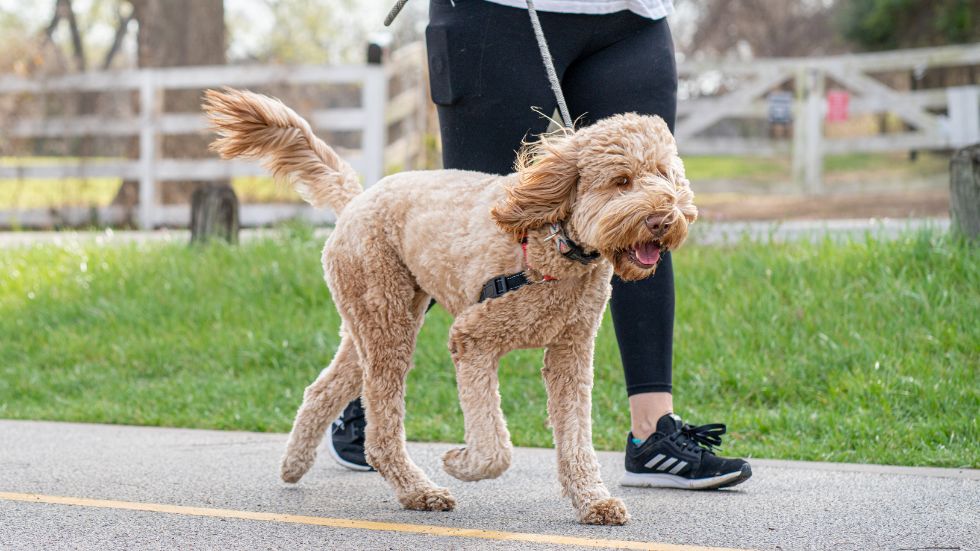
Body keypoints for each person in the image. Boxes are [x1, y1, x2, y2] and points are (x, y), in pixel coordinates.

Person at [328, 0, 751, 490]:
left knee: (642, 216)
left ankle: (652, 434)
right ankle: (366, 402)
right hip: (499, 12)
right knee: (470, 230)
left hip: (633, 17)